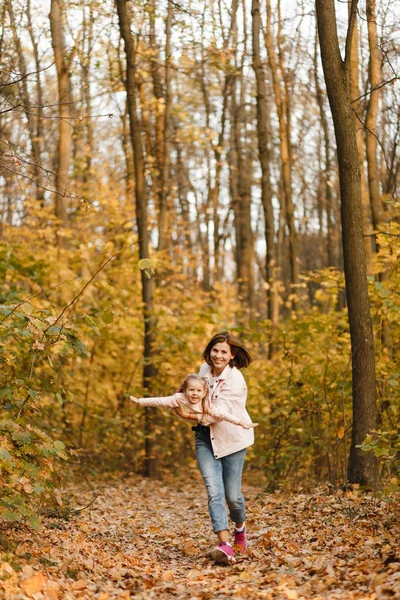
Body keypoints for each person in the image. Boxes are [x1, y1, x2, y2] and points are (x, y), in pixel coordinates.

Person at [174, 331, 255, 565]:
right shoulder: (202, 371)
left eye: (223, 352)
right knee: (214, 491)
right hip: (205, 439)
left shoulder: (236, 380)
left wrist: (185, 414)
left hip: (232, 440)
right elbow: (192, 395)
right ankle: (225, 544)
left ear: (231, 356)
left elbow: (214, 416)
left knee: (233, 496)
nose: (218, 355)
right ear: (209, 351)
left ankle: (240, 528)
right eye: (215, 350)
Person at [130, 373, 258, 430]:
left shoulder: (207, 405)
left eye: (198, 391)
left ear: (205, 392)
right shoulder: (179, 399)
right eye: (191, 390)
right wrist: (140, 401)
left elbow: (223, 415)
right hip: (196, 425)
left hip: (210, 426)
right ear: (185, 391)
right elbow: (160, 401)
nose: (195, 394)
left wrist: (241, 423)